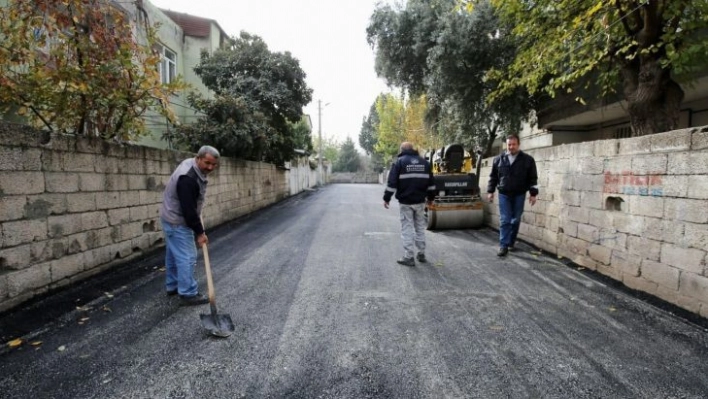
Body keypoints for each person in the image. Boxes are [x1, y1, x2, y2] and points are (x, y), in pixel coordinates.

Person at [159, 146, 220, 305]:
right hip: (177, 220)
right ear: (198, 158)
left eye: (214, 164)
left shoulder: (191, 164)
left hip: (169, 216)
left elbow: (190, 204)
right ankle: (187, 293)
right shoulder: (188, 178)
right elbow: (188, 211)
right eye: (207, 163)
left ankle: (173, 286)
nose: (210, 167)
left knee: (173, 253)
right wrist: (200, 233)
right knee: (187, 256)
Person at [383, 142, 436, 266]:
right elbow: (431, 183)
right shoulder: (425, 163)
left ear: (402, 149)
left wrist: (387, 198)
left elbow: (392, 183)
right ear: (413, 149)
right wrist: (431, 198)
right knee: (419, 227)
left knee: (407, 228)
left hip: (406, 202)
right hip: (420, 202)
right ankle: (421, 253)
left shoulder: (399, 162)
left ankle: (409, 257)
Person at [486, 134, 538, 257]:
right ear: (506, 145)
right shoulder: (498, 159)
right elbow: (493, 177)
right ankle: (503, 245)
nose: (511, 147)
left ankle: (511, 242)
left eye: (513, 144)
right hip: (504, 194)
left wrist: (533, 194)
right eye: (509, 144)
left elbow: (533, 178)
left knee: (515, 220)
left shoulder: (528, 160)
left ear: (518, 145)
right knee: (505, 220)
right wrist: (490, 191)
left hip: (519, 194)